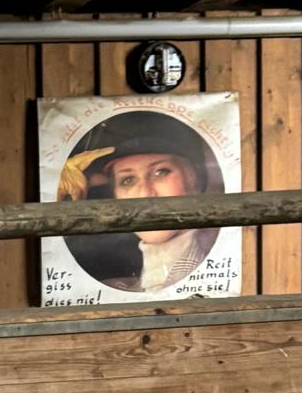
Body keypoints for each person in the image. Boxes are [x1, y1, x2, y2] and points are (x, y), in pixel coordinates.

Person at [61, 110, 221, 294]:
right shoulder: (114, 288)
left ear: (196, 180)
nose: (145, 193)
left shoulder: (216, 277)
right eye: (127, 180)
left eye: (160, 172)